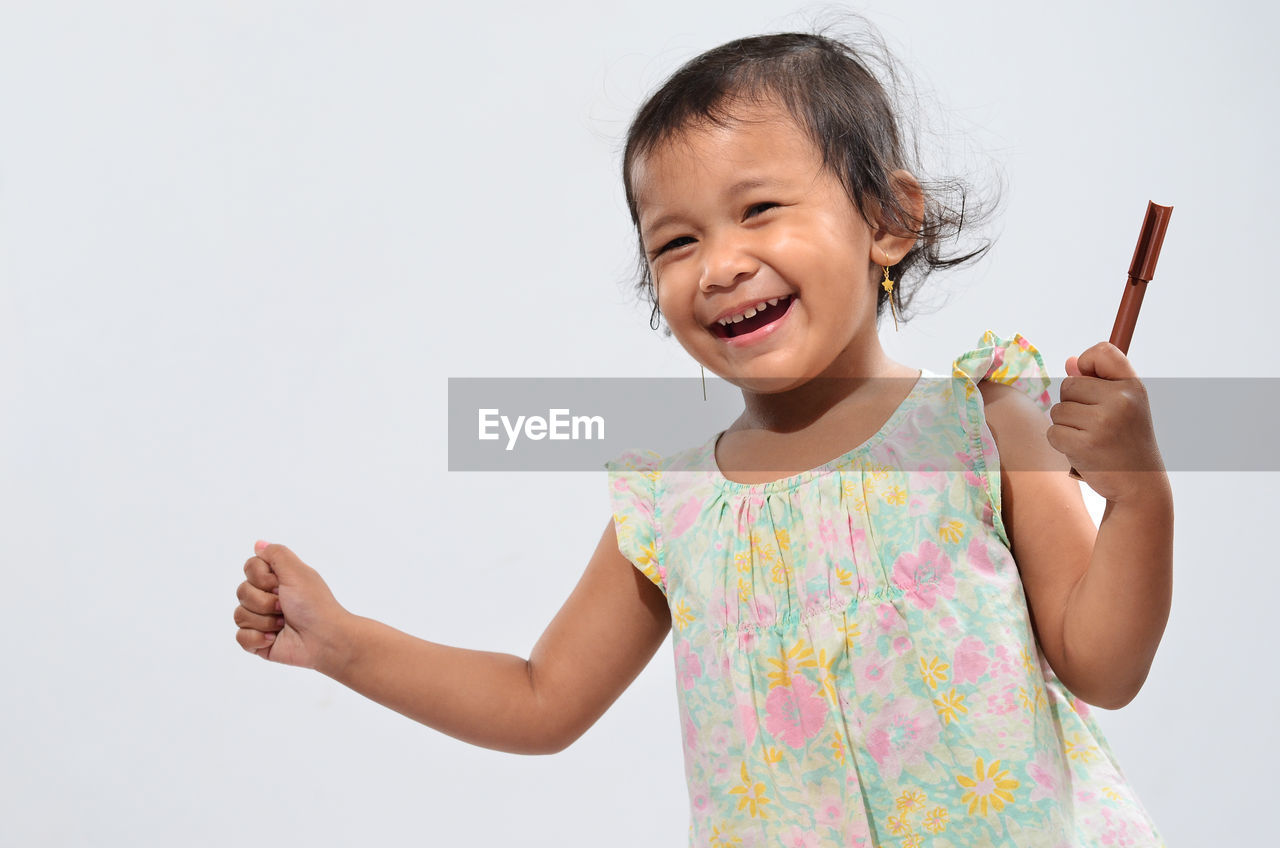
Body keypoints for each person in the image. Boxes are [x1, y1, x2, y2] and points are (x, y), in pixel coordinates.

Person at [233, 27, 1173, 847]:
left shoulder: (984, 423)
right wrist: (344, 643)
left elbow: (1104, 665)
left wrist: (1137, 495)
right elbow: (539, 699)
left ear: (887, 221)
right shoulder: (674, 505)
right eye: (674, 242)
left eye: (760, 209)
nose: (719, 265)